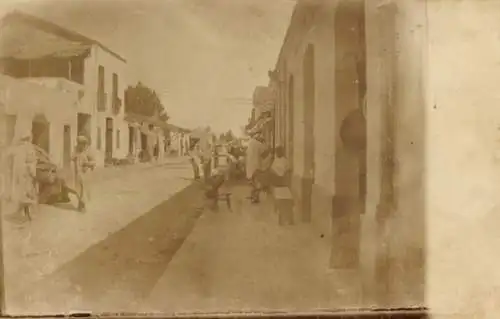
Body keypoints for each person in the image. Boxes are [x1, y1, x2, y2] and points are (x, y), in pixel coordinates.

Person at [11, 135, 37, 221]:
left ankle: (26, 214)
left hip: (23, 175)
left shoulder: (19, 149)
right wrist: (32, 173)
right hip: (26, 175)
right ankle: (28, 214)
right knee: (28, 194)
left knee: (25, 194)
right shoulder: (27, 149)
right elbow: (30, 161)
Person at [72, 136, 95, 212]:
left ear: (85, 144)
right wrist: (74, 157)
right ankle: (80, 203)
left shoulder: (88, 151)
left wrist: (87, 164)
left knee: (84, 189)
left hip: (85, 173)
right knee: (78, 189)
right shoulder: (76, 150)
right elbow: (72, 157)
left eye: (82, 143)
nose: (80, 145)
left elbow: (93, 161)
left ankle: (83, 206)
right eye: (79, 143)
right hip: (77, 173)